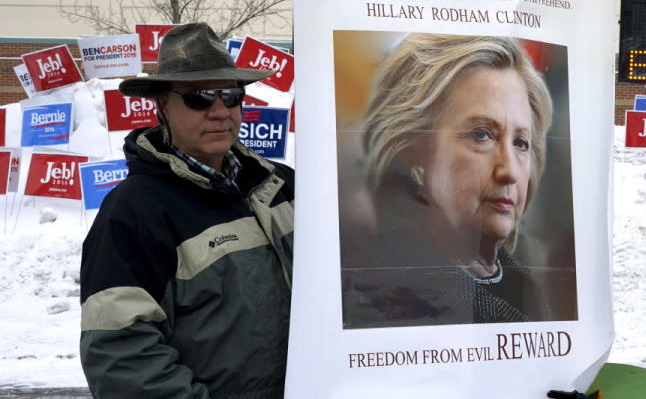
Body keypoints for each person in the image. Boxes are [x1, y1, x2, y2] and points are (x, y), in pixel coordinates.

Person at [79, 23, 295, 398]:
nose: (219, 111)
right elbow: (120, 355)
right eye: (199, 97)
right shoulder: (134, 211)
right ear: (162, 104)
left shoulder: (284, 186)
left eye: (230, 95)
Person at [340, 33, 558, 328]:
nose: (509, 171)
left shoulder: (531, 292)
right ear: (412, 151)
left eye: (521, 143)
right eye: (482, 135)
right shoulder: (379, 302)